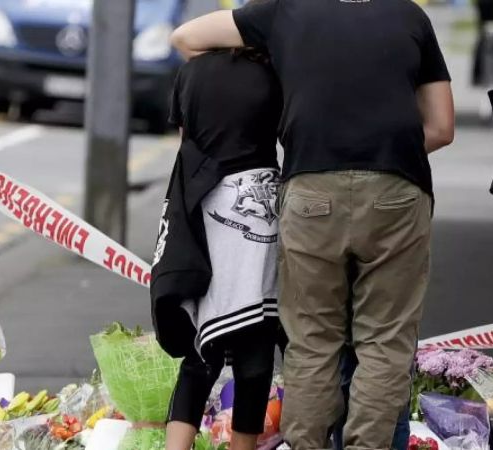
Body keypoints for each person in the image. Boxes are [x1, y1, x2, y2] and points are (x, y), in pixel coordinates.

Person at [170, 1, 455, 448]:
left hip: (311, 190)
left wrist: (266, 53)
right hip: (397, 191)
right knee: (384, 342)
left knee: (311, 342)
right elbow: (440, 127)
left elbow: (185, 38)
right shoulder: (409, 15)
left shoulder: (285, 11)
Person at [149, 47, 284, 450]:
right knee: (256, 345)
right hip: (260, 207)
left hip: (204, 206)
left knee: (200, 345)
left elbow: (185, 141)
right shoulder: (276, 70)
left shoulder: (192, 71)